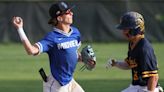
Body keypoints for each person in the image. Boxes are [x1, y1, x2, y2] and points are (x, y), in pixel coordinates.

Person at [12, 1, 85, 92]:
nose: (71, 13)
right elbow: (31, 50)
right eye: (68, 12)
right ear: (59, 18)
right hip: (57, 84)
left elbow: (72, 54)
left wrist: (84, 59)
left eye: (70, 11)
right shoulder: (52, 37)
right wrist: (20, 29)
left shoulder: (75, 33)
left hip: (70, 81)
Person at [106, 11, 163, 92]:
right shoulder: (132, 43)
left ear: (136, 29)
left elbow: (154, 76)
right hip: (136, 87)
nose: (123, 32)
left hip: (147, 88)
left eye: (126, 29)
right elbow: (129, 64)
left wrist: (150, 91)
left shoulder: (144, 49)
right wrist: (116, 63)